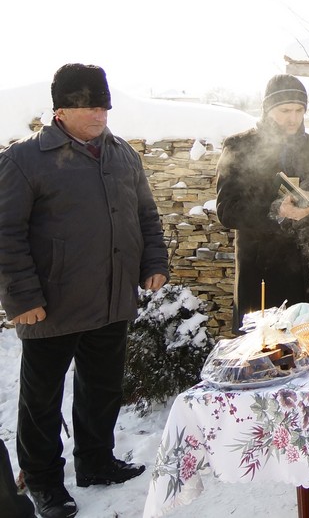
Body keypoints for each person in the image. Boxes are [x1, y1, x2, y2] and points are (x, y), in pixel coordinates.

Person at [0, 64, 169, 518]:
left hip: (112, 298)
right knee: (42, 400)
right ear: (60, 111)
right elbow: (6, 232)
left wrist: (153, 263)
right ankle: (42, 482)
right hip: (51, 304)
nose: (99, 114)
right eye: (87, 106)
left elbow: (146, 216)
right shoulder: (24, 159)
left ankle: (95, 462)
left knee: (102, 388)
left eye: (103, 105)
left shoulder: (122, 155)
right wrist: (22, 298)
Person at [216, 74, 309, 329]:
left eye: (299, 110)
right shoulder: (240, 146)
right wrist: (276, 211)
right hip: (262, 271)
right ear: (267, 109)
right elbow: (227, 210)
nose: (293, 118)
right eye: (285, 110)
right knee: (267, 356)